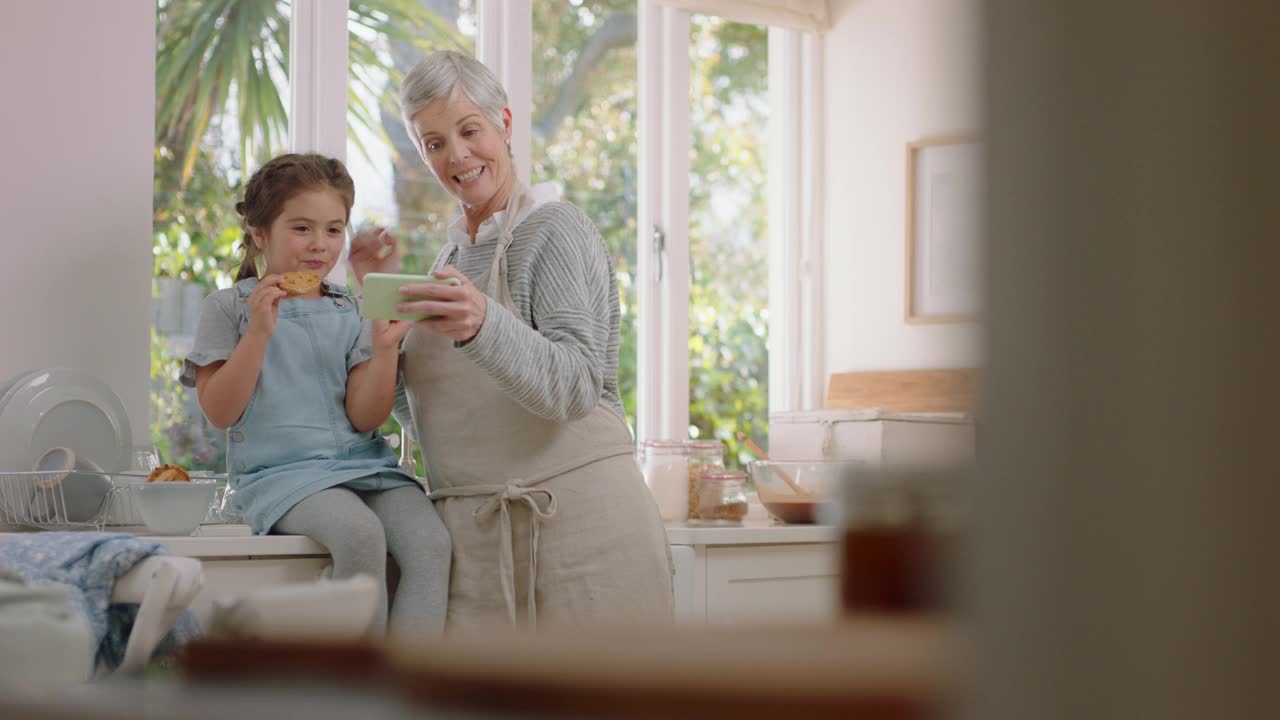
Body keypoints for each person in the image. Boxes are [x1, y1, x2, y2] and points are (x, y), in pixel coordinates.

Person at [349, 50, 673, 629]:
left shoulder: (555, 228)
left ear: (505, 122)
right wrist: (387, 337)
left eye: (470, 130)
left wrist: (482, 325)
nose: (458, 155)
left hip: (584, 539)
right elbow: (434, 419)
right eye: (435, 143)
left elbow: (575, 390)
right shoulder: (451, 259)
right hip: (478, 551)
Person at [181, 153, 451, 637]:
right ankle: (353, 695)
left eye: (333, 230)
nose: (319, 246)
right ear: (260, 234)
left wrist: (385, 347)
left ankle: (412, 692)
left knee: (432, 544)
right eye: (301, 228)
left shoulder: (351, 309)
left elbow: (366, 417)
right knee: (359, 534)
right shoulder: (229, 308)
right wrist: (259, 334)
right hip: (281, 476)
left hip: (362, 466)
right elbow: (221, 412)